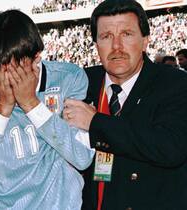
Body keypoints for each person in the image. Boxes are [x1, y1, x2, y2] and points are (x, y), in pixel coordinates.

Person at [0, 9, 94, 210]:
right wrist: (1, 109)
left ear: (36, 58)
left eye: (16, 69)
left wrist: (31, 104)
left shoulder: (69, 78)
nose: (6, 77)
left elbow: (83, 156)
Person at [62, 0, 187, 209]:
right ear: (96, 45)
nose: (116, 46)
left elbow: (170, 147)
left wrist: (96, 123)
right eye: (106, 36)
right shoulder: (80, 83)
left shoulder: (174, 84)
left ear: (145, 40)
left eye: (126, 34)